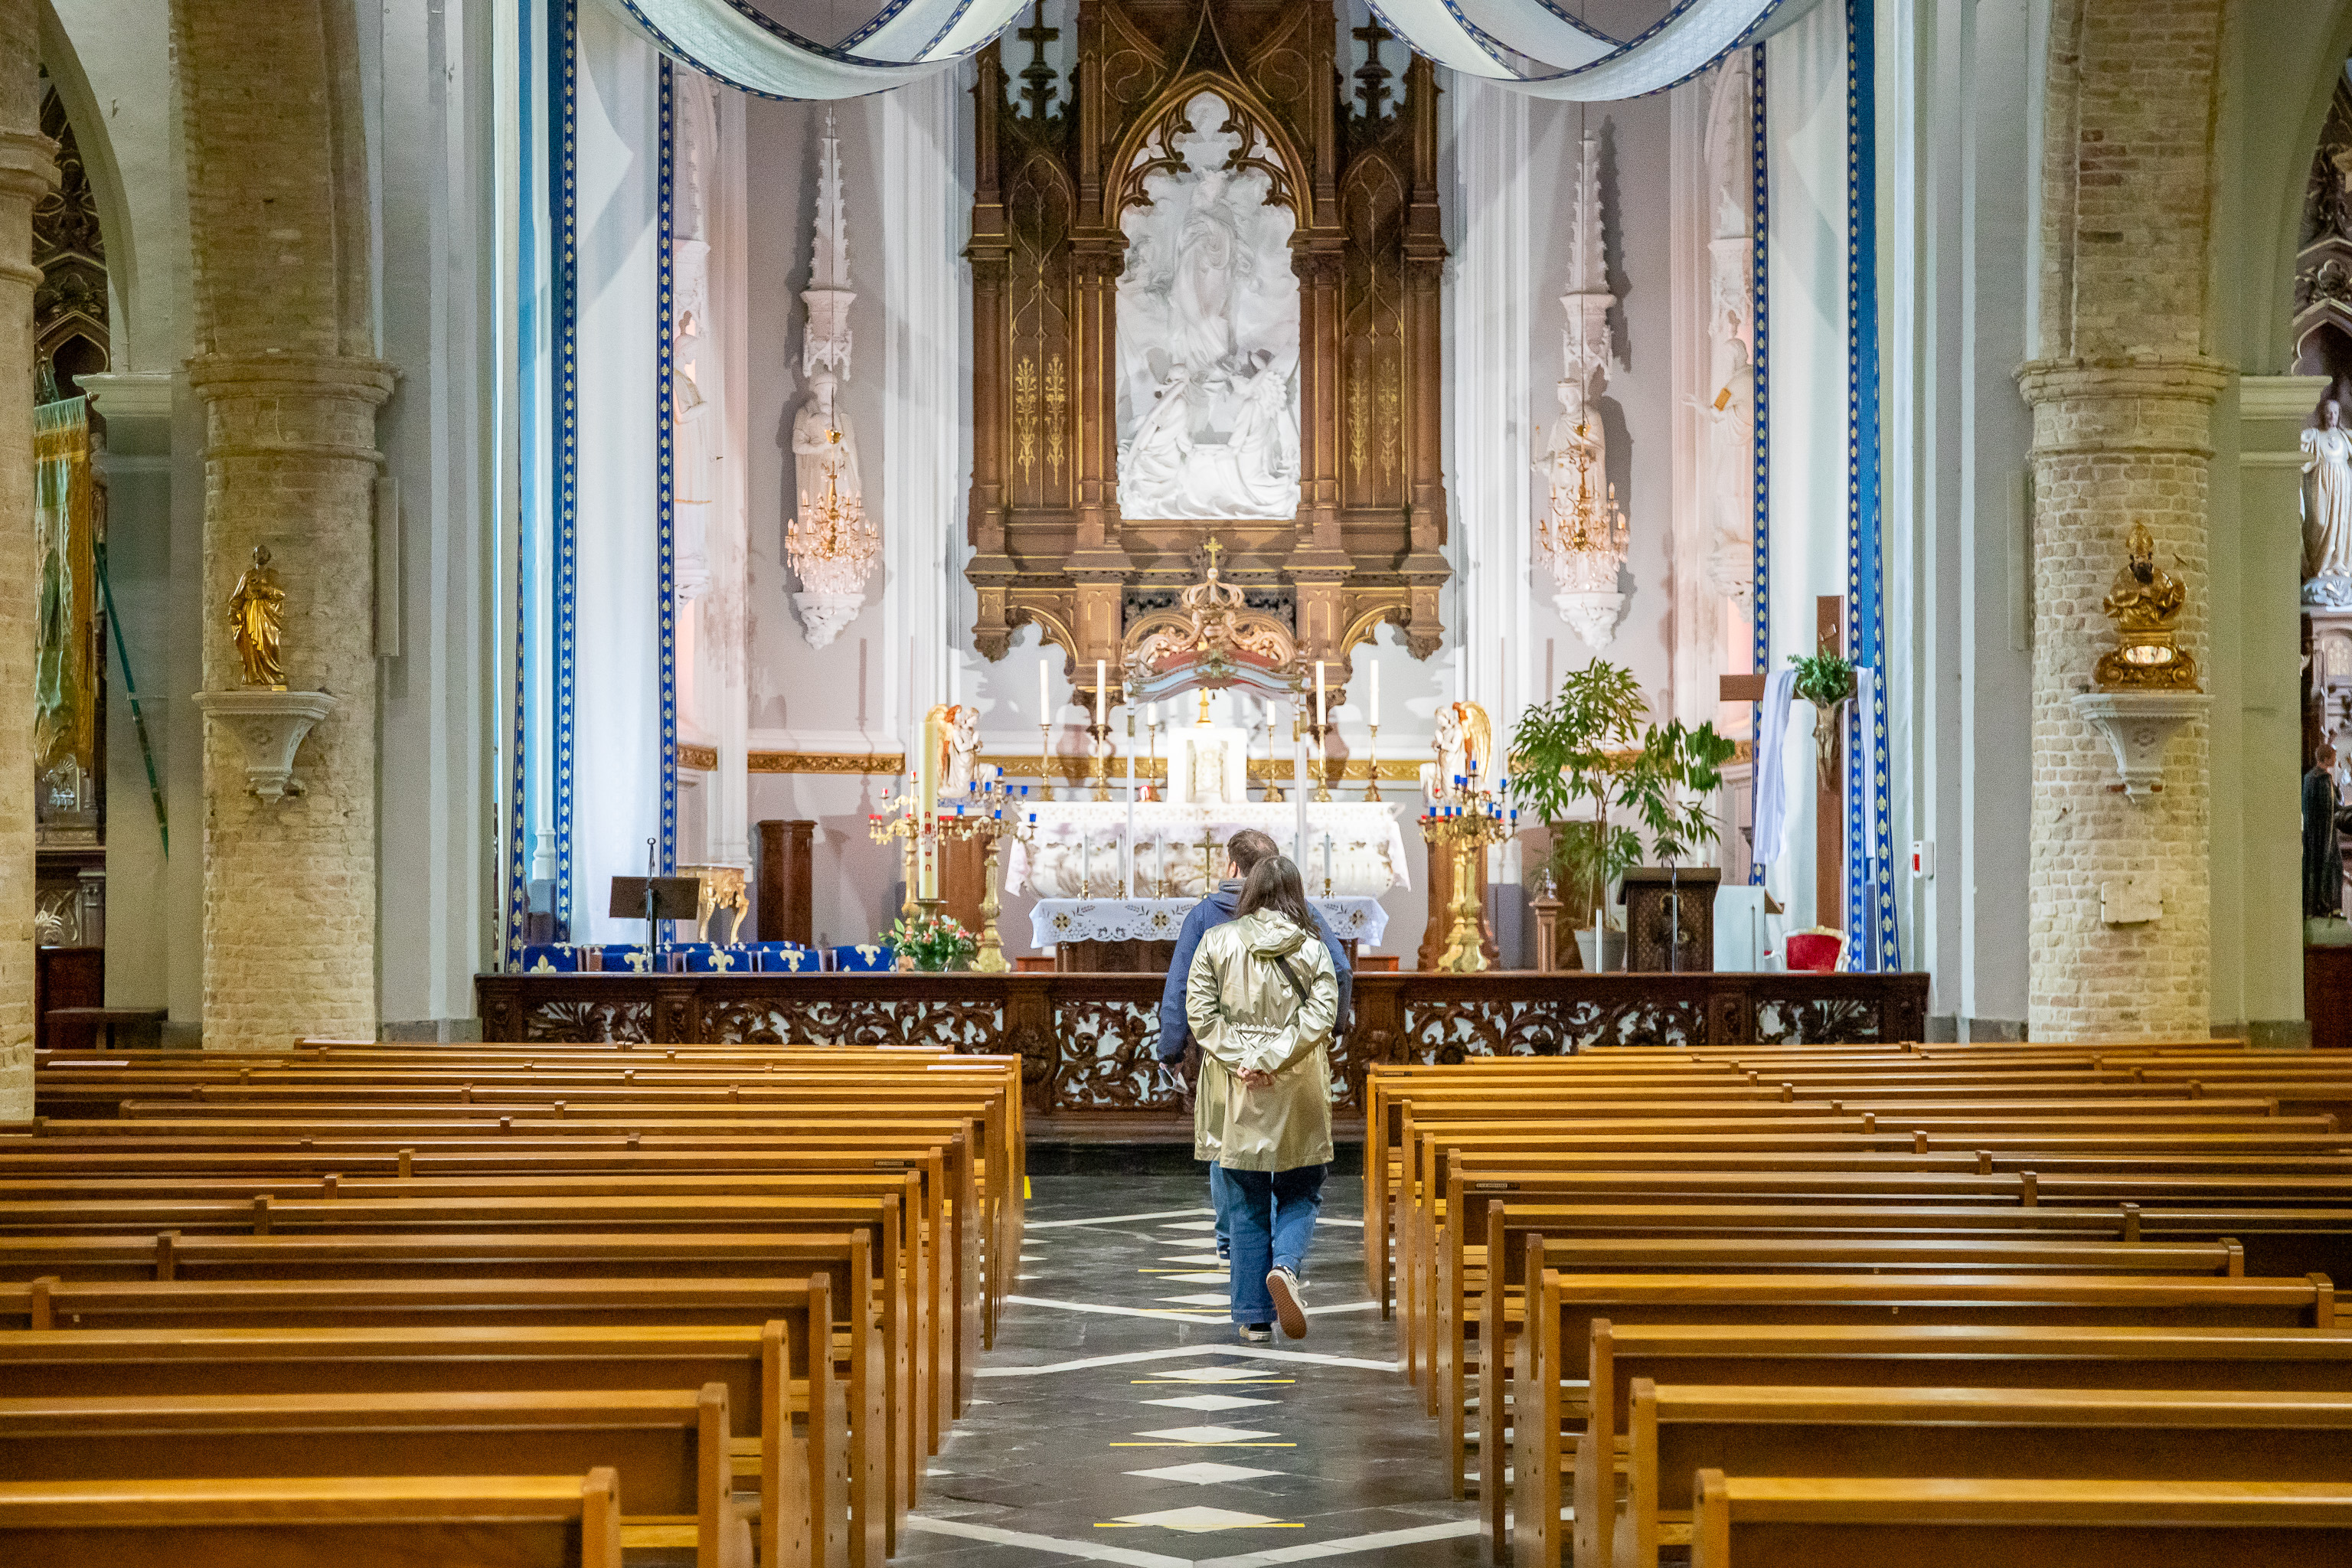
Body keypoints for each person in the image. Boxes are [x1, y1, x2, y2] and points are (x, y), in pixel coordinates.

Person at [1157, 829, 1352, 1261]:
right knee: (1294, 1161)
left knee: (1228, 1151)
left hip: (1228, 1063)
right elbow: (1340, 971)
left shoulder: (1207, 919)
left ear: (1232, 868)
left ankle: (1233, 1244)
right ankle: (1283, 1256)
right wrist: (1329, 1031)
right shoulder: (1303, 918)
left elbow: (1181, 992)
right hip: (1292, 1061)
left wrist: (1170, 1051)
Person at [1184, 854, 1338, 1342]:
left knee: (1246, 1197)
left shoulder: (1218, 940)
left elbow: (1199, 1010)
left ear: (1248, 891)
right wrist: (1272, 1056)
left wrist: (1243, 1058)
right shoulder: (1312, 948)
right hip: (1296, 1082)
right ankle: (1286, 1269)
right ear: (1295, 892)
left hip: (1238, 1085)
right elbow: (1323, 1015)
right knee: (1300, 1187)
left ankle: (1253, 1316)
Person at [2307, 743, 2344, 919]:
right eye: (2334, 756)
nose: (2336, 759)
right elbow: (2336, 806)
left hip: (2312, 835)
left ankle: (2316, 907)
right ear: (2327, 758)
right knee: (2335, 868)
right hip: (2326, 837)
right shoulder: (2324, 780)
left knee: (2314, 869)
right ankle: (2330, 906)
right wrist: (2339, 792)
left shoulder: (2309, 778)